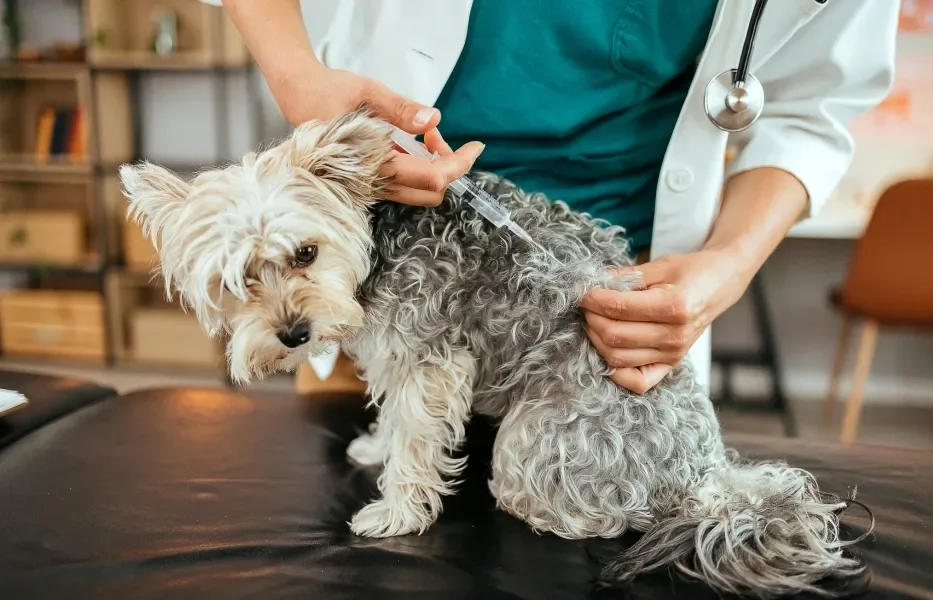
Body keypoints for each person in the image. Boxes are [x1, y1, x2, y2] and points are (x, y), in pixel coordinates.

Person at [206, 0, 898, 395]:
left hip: (611, 314)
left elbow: (812, 110)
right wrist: (295, 75)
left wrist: (727, 263)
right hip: (381, 292)